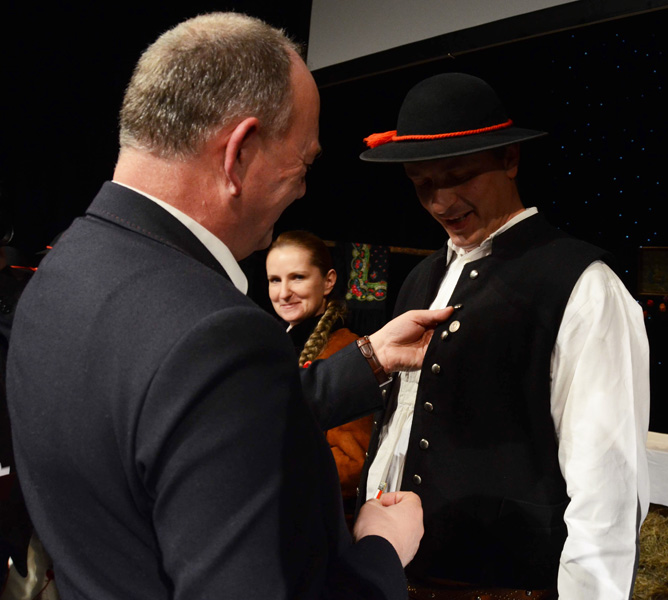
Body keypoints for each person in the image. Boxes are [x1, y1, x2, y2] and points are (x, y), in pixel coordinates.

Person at [6, 14, 453, 600]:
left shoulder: (61, 270)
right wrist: (380, 551)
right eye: (303, 164)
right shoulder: (216, 332)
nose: (303, 190)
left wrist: (369, 357)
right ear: (239, 152)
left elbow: (187, 420)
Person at [358, 72, 650, 600]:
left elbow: (607, 487)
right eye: (422, 183)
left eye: (458, 176)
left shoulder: (584, 285)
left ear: (511, 159)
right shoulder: (421, 278)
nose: (441, 201)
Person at [266, 230, 374, 523]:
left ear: (328, 281)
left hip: (312, 521)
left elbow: (352, 464)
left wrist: (265, 473)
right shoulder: (270, 344)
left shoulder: (345, 351)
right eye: (275, 280)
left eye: (297, 277)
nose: (283, 293)